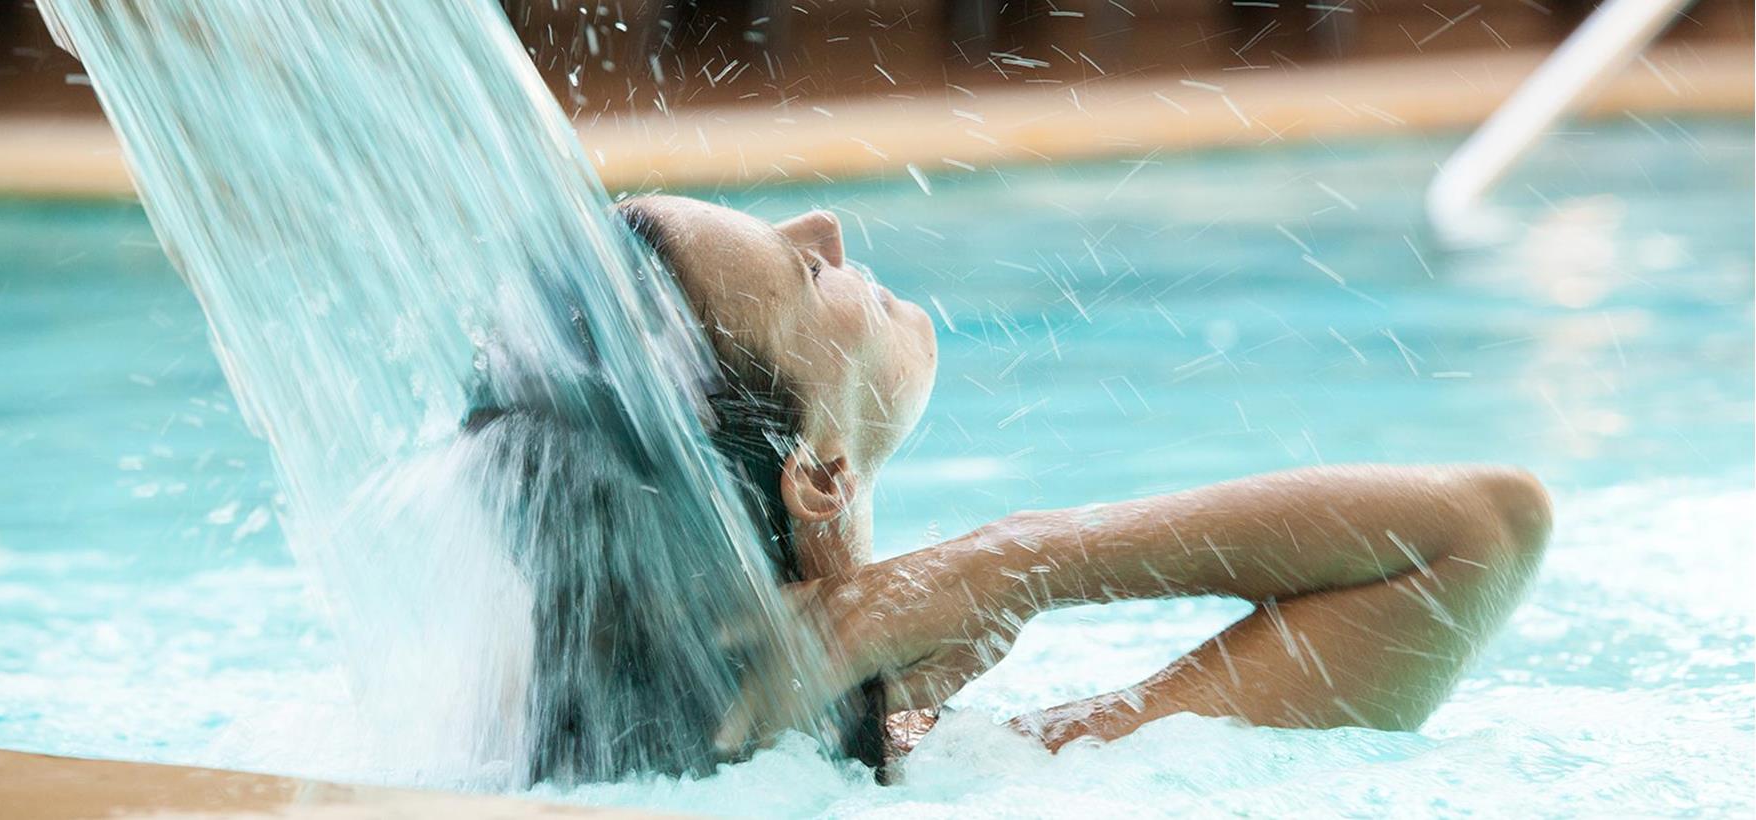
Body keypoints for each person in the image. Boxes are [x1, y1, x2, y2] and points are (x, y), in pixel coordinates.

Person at [616, 194, 1553, 773]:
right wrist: (1014, 562)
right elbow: (1484, 531)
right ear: (820, 476)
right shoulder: (983, 781)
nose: (826, 224)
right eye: (806, 271)